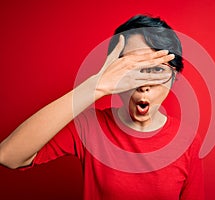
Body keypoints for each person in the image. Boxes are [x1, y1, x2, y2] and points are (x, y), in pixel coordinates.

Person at [0, 15, 204, 199]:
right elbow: (8, 156)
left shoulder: (187, 140)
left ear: (174, 76)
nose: (144, 84)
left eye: (157, 69)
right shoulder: (91, 125)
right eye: (132, 69)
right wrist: (96, 87)